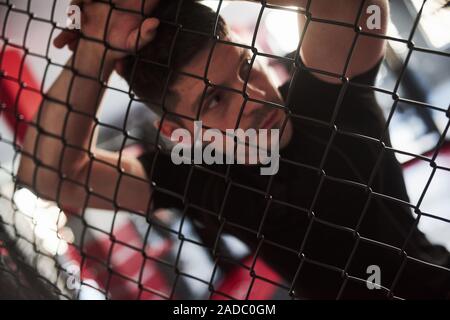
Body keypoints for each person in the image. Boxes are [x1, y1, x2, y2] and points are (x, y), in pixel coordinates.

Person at [17, 0, 449, 299]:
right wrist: (96, 49)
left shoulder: (322, 98)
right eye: (214, 100)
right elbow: (48, 177)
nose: (253, 99)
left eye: (246, 67)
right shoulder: (196, 170)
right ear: (176, 130)